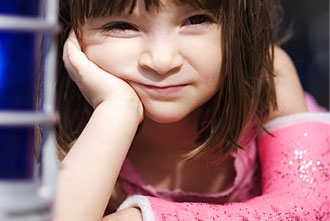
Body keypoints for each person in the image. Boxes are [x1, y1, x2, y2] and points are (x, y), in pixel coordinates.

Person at [54, 0, 329, 220]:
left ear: (239, 25)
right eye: (121, 26)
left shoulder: (266, 77)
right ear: (70, 32)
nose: (163, 61)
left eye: (195, 20)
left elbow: (310, 210)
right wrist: (116, 110)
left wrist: (145, 218)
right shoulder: (51, 119)